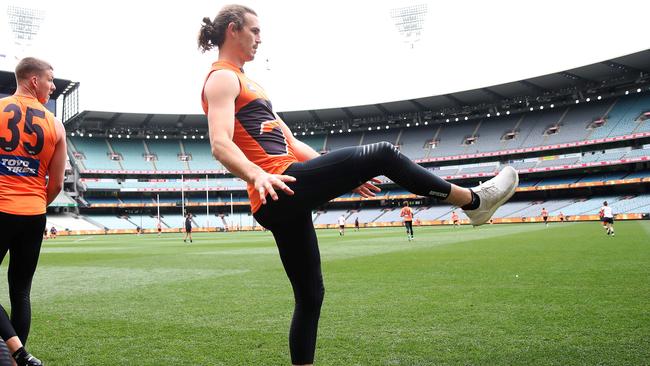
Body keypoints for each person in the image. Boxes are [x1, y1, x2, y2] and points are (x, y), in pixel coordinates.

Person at [198, 6, 519, 365]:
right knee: (382, 153)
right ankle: (475, 202)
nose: (260, 39)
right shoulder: (221, 79)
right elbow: (220, 143)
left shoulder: (252, 84)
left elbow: (293, 143)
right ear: (232, 30)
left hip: (284, 189)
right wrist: (256, 175)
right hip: (276, 186)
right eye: (254, 31)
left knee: (310, 296)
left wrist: (342, 175)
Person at [0, 57, 66, 366]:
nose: (53, 86)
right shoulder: (55, 124)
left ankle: (16, 351)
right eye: (51, 80)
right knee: (21, 291)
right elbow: (56, 184)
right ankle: (18, 357)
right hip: (33, 212)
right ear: (34, 80)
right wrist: (36, 202)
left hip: (0, 207)